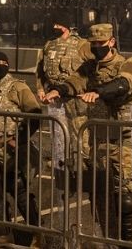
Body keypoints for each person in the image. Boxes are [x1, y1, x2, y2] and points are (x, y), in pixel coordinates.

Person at [80, 22, 132, 243]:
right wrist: (56, 90)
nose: (97, 47)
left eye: (101, 43)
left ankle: (130, 246)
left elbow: (125, 83)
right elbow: (73, 82)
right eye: (94, 44)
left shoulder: (128, 63)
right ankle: (111, 243)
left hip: (123, 139)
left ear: (112, 42)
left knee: (124, 197)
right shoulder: (89, 67)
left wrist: (99, 92)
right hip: (98, 141)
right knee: (101, 198)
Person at [0, 50, 43, 247]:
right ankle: (10, 233)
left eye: (3, 61)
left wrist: (20, 139)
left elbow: (35, 113)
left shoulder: (17, 86)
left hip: (14, 148)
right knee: (1, 192)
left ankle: (37, 233)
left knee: (20, 190)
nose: (0, 64)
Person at [34, 23, 92, 171]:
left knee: (79, 132)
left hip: (75, 97)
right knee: (59, 131)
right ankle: (61, 161)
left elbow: (92, 68)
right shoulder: (49, 45)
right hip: (55, 96)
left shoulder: (82, 44)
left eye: (57, 24)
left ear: (65, 26)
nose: (53, 27)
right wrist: (40, 88)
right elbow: (40, 69)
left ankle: (83, 165)